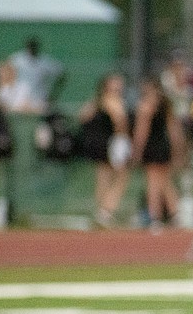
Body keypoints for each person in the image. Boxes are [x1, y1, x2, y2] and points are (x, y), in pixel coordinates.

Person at [78, 73, 133, 228]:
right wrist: (123, 141)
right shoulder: (112, 100)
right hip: (110, 142)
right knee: (121, 176)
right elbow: (120, 122)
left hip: (99, 142)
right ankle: (106, 210)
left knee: (103, 178)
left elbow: (83, 116)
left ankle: (101, 211)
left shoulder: (98, 101)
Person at [131, 77, 184, 232]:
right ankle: (175, 214)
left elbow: (142, 132)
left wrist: (137, 151)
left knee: (153, 183)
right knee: (165, 182)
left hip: (152, 147)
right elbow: (174, 131)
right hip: (164, 146)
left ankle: (155, 217)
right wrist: (177, 150)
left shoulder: (145, 106)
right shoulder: (165, 104)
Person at [7, 36, 65, 112]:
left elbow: (62, 74)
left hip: (39, 100)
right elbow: (5, 74)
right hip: (19, 100)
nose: (32, 49)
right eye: (30, 47)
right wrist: (9, 94)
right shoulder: (17, 59)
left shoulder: (45, 61)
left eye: (33, 47)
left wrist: (53, 95)